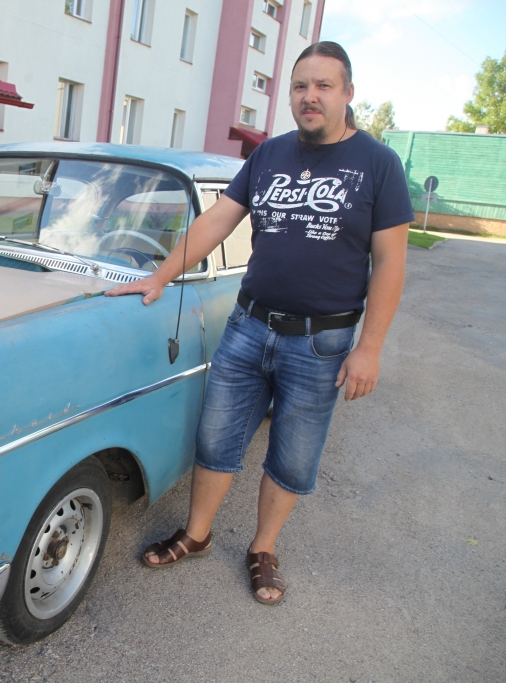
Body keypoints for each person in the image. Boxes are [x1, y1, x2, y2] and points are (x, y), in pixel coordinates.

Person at [105, 41, 414, 605]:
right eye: (300, 86)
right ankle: (196, 535)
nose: (310, 96)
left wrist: (369, 348)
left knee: (293, 455)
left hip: (322, 342)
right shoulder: (268, 155)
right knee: (216, 438)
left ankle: (262, 548)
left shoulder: (378, 164)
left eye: (323, 86)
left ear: (347, 93)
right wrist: (161, 276)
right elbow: (217, 222)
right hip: (249, 327)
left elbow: (391, 261)